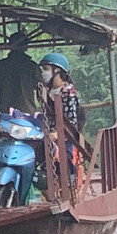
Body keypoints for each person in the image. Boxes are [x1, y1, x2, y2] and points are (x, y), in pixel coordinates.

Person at [38, 52, 88, 190]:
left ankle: (71, 184)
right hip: (48, 134)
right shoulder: (46, 91)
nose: (44, 73)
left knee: (65, 158)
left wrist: (58, 134)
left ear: (57, 70)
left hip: (66, 137)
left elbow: (72, 121)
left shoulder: (68, 92)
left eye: (46, 69)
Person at [0, 30, 41, 120]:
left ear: (10, 46)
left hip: (6, 115)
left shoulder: (0, 66)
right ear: (26, 47)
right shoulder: (32, 67)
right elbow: (41, 92)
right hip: (27, 116)